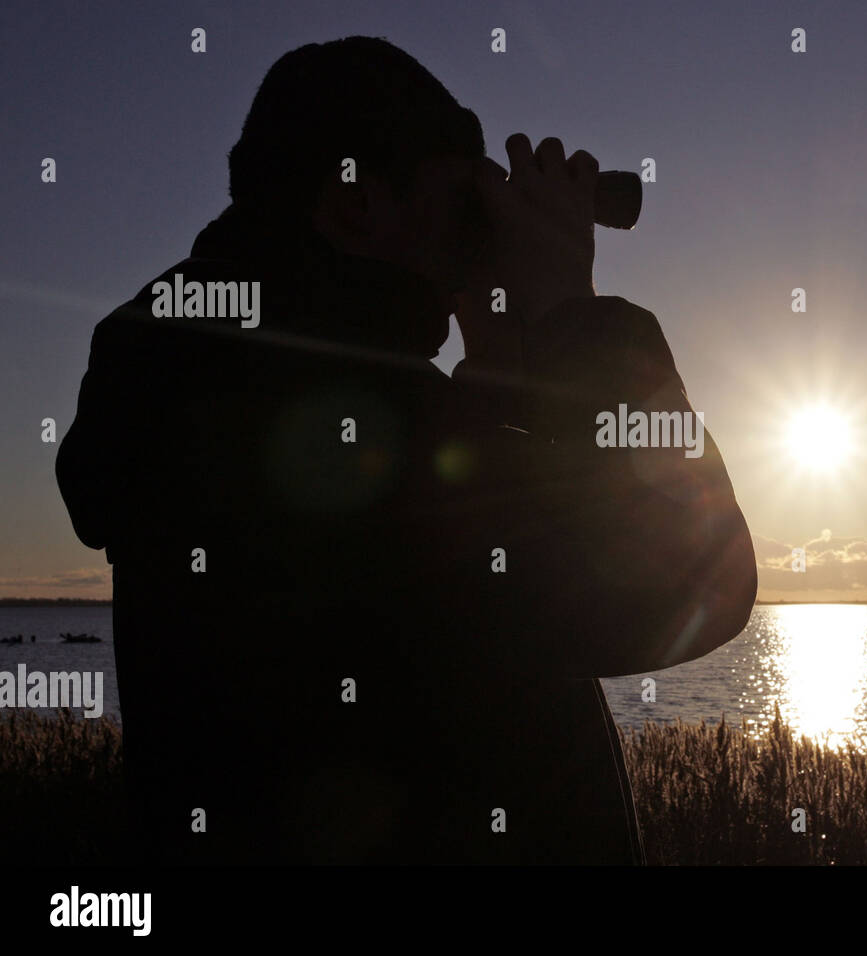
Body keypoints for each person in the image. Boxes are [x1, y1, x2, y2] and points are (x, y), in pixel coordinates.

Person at [55, 36, 756, 865]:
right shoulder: (334, 412)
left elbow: (440, 622)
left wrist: (496, 370)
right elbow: (693, 586)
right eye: (459, 196)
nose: (475, 227)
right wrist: (580, 316)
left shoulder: (208, 372)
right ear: (354, 201)